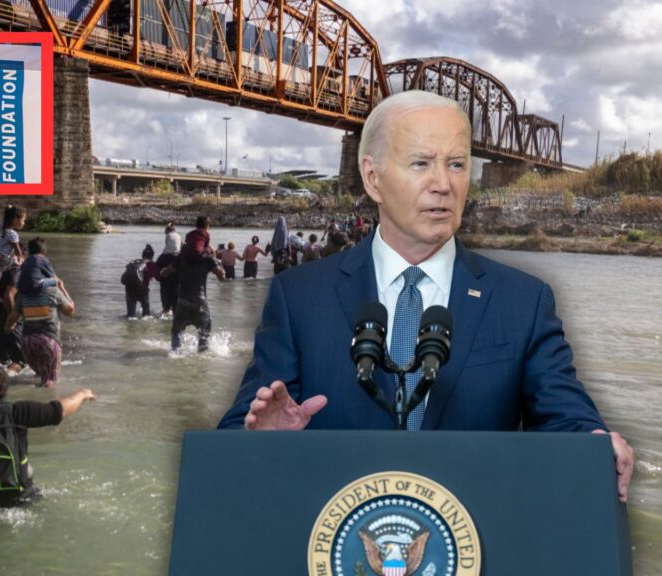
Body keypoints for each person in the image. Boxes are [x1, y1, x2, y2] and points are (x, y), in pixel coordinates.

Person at [217, 90, 633, 503]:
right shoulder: (299, 296)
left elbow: (564, 415)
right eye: (421, 164)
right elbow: (238, 434)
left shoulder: (524, 302)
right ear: (372, 177)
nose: (443, 184)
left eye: (457, 165)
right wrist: (261, 443)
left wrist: (594, 441)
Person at [0, 363, 96, 507]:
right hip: (19, 498)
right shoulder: (18, 412)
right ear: (6, 389)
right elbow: (59, 411)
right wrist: (82, 394)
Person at [6, 239, 76, 387]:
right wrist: (62, 287)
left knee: (37, 377)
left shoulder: (23, 294)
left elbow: (11, 320)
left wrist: (8, 328)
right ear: (44, 253)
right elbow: (70, 310)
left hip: (27, 344)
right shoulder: (53, 290)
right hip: (49, 343)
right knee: (49, 384)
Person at [166, 243, 225, 352]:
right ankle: (202, 358)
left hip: (183, 301)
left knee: (176, 330)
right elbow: (222, 276)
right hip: (200, 302)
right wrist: (215, 258)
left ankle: (175, 353)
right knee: (204, 332)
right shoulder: (207, 258)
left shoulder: (181, 257)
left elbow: (164, 273)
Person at [123, 244, 161, 318]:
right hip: (142, 290)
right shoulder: (151, 264)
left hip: (129, 290)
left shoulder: (133, 262)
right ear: (152, 256)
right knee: (146, 316)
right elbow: (159, 278)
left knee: (130, 317)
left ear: (142, 255)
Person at [0, 205, 26, 272]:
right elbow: (18, 252)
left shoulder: (1, 230)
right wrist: (22, 259)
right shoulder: (12, 233)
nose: (24, 223)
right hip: (3, 263)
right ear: (15, 219)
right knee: (23, 259)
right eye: (23, 220)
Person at [157, 225, 181, 315]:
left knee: (165, 311)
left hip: (165, 289)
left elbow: (156, 273)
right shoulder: (181, 258)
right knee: (176, 312)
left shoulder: (162, 258)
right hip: (178, 289)